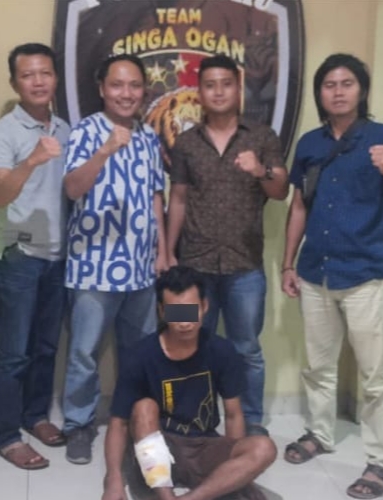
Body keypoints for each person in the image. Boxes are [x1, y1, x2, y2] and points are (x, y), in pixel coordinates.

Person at [279, 53, 383, 499]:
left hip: (364, 276)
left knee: (375, 376)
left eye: (347, 83)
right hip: (315, 273)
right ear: (319, 93)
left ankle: (380, 461)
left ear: (361, 90)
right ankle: (320, 434)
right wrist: (287, 263)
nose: (338, 92)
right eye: (329, 85)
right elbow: (299, 205)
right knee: (318, 366)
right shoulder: (309, 143)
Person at [165, 55, 288, 436]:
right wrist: (168, 252)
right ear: (199, 93)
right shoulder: (186, 142)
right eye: (210, 85)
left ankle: (250, 423)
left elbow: (281, 190)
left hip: (245, 266)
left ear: (238, 89)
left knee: (246, 348)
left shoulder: (262, 137)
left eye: (226, 84)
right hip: (193, 266)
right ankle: (192, 420)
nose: (218, 91)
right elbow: (178, 199)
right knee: (186, 343)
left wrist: (260, 170)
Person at [61, 53, 169, 465]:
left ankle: (135, 422)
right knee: (84, 353)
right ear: (102, 88)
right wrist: (105, 150)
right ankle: (79, 425)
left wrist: (162, 251)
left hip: (141, 268)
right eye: (118, 85)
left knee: (140, 352)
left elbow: (156, 196)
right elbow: (73, 188)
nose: (126, 93)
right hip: (93, 266)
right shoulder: (86, 131)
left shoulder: (149, 136)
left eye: (134, 85)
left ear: (144, 90)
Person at [101, 266, 277, 500]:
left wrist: (236, 472)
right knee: (144, 406)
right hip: (158, 448)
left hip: (204, 444)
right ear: (162, 311)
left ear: (204, 306)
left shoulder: (221, 350)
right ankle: (165, 495)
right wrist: (113, 479)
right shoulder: (140, 356)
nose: (184, 323)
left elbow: (233, 415)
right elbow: (119, 424)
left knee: (264, 447)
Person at [0, 42, 71, 470]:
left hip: (58, 255)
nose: (38, 81)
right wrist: (33, 159)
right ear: (14, 82)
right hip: (18, 254)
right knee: (13, 353)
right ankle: (6, 435)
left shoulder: (66, 128)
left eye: (45, 73)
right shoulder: (5, 131)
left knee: (46, 346)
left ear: (55, 78)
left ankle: (35, 415)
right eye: (28, 75)